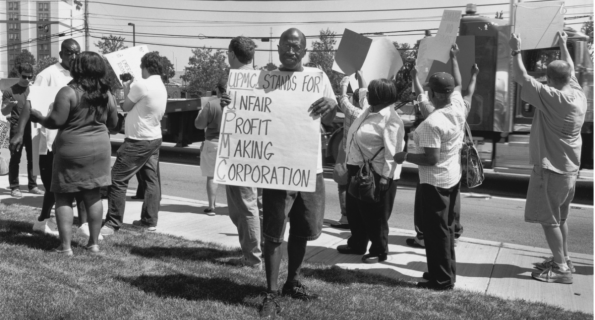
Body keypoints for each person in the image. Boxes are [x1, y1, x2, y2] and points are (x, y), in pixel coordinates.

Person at [258, 28, 338, 318]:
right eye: (286, 46)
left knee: (303, 229)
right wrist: (232, 104)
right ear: (277, 47)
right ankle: (271, 292)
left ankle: (292, 281)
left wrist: (332, 105)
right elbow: (247, 110)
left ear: (305, 51)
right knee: (273, 233)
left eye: (297, 47)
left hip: (310, 167)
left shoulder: (318, 77)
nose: (291, 51)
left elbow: (328, 120)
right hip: (276, 168)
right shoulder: (265, 77)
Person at [509, 31, 586, 284]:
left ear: (551, 79)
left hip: (551, 168)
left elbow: (520, 76)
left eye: (546, 77)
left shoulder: (554, 97)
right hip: (569, 168)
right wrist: (563, 45)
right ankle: (563, 258)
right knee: (560, 218)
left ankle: (561, 269)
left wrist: (515, 50)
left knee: (548, 220)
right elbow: (570, 68)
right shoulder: (577, 92)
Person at [394, 44, 471, 291]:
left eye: (429, 91)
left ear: (436, 94)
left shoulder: (432, 123)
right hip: (452, 177)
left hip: (435, 182)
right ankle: (442, 273)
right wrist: (454, 59)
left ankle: (441, 280)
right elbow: (459, 84)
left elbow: (431, 159)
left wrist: (404, 156)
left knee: (437, 232)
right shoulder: (457, 106)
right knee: (445, 229)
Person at [29, 51, 119, 255]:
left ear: (77, 68)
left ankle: (65, 247)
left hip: (72, 148)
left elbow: (56, 122)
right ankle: (94, 244)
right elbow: (113, 124)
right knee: (94, 195)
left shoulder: (68, 91)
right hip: (101, 148)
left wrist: (39, 117)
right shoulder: (107, 92)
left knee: (63, 197)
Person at [11, 39, 90, 237]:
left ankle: (82, 225)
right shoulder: (47, 75)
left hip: (76, 138)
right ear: (61, 53)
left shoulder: (82, 76)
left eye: (77, 53)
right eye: (70, 53)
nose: (74, 56)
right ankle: (45, 221)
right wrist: (20, 132)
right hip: (51, 139)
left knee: (77, 185)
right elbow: (30, 104)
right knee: (55, 187)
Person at [405, 63, 478, 249]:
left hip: (434, 177)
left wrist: (414, 77)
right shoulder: (460, 108)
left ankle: (423, 236)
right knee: (452, 205)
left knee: (429, 211)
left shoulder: (432, 116)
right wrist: (473, 74)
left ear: (435, 94)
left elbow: (421, 96)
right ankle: (454, 232)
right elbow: (465, 89)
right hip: (453, 172)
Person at [335, 77, 404, 263]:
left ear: (382, 97)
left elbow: (393, 152)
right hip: (357, 168)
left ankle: (379, 250)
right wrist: (361, 75)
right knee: (355, 210)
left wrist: (385, 178)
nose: (367, 95)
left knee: (376, 216)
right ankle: (357, 243)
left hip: (378, 173)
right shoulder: (369, 109)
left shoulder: (391, 120)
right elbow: (364, 92)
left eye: (373, 92)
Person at [101, 52, 168, 235]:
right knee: (151, 181)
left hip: (138, 140)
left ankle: (112, 222)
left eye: (141, 67)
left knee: (117, 180)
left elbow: (126, 106)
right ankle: (149, 221)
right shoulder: (160, 84)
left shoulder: (141, 84)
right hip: (153, 137)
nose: (140, 70)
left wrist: (126, 87)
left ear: (145, 67)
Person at [218, 36, 263, 270]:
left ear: (233, 54)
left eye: (228, 52)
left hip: (243, 153)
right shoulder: (261, 79)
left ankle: (253, 258)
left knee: (245, 206)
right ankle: (254, 251)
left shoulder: (244, 80)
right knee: (249, 205)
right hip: (251, 152)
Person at [332, 73, 368, 229]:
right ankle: (359, 217)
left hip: (347, 153)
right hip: (362, 155)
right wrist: (360, 75)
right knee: (358, 185)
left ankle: (345, 217)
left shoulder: (352, 112)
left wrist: (345, 82)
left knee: (343, 184)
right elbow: (364, 91)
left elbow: (342, 97)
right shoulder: (368, 112)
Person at [2, 63, 42, 198]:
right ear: (19, 74)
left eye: (30, 77)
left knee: (33, 158)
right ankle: (14, 187)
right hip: (16, 128)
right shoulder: (9, 91)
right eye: (25, 76)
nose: (27, 79)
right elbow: (3, 111)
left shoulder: (35, 90)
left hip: (33, 128)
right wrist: (9, 106)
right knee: (15, 158)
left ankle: (33, 185)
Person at [194, 80, 225, 216]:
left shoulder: (212, 104)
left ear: (218, 89)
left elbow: (199, 125)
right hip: (232, 144)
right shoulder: (238, 104)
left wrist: (200, 114)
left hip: (213, 142)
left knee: (212, 176)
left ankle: (211, 206)